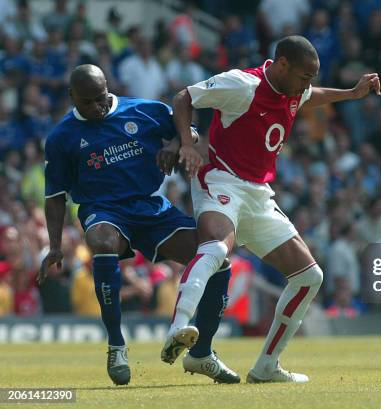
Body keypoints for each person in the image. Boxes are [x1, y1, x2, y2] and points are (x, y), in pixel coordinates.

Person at [162, 35, 381, 383]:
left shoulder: (294, 89)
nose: (307, 85)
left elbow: (312, 96)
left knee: (310, 276)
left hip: (259, 195)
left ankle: (266, 366)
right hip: (221, 181)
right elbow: (184, 97)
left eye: (311, 78)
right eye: (304, 77)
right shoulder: (243, 84)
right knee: (217, 248)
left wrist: (350, 94)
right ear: (282, 65)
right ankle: (179, 327)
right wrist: (188, 145)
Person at [40, 64, 239, 386]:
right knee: (102, 241)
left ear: (109, 88)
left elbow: (189, 131)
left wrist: (175, 146)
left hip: (150, 207)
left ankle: (202, 354)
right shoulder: (62, 137)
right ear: (71, 97)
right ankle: (117, 345)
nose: (96, 107)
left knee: (217, 260)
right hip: (102, 208)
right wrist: (53, 246)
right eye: (87, 101)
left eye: (101, 98)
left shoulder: (144, 110)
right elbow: (55, 196)